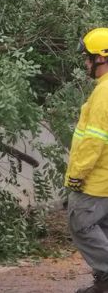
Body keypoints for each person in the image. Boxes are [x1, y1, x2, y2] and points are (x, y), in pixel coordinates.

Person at [66, 28, 108, 293]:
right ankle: (104, 283)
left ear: (101, 59)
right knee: (102, 227)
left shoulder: (104, 94)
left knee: (81, 224)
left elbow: (94, 139)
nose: (86, 63)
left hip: (95, 178)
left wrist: (77, 174)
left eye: (88, 58)